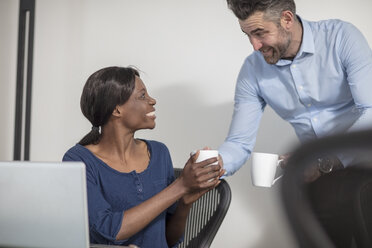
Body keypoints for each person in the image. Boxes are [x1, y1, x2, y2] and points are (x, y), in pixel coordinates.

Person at [218, 0, 372, 246]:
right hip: (322, 184)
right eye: (247, 35)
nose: (254, 46)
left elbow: (371, 111)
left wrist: (322, 160)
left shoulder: (341, 37)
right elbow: (238, 142)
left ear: (287, 19)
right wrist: (214, 165)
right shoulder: (252, 70)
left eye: (260, 33)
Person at [63, 66, 224, 247]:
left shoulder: (159, 153)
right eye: (142, 96)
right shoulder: (79, 160)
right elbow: (107, 231)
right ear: (116, 110)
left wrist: (185, 202)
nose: (152, 100)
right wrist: (180, 186)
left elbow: (169, 239)